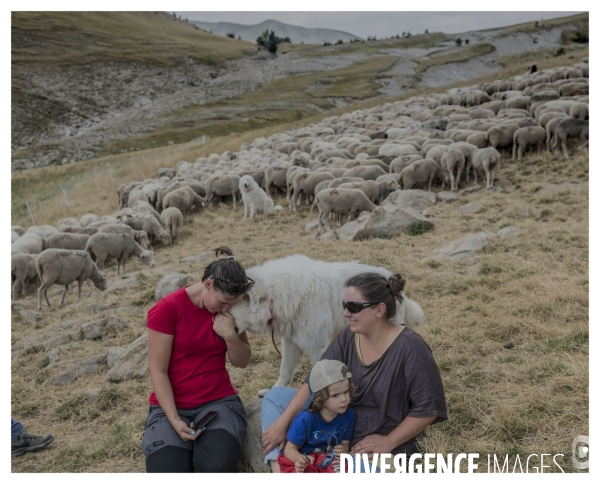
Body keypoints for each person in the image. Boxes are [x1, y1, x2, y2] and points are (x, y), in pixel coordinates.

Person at [262, 272, 447, 473]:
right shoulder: (347, 337)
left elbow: (429, 408)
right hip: (337, 424)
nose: (345, 314)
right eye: (344, 306)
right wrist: (283, 423)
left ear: (379, 310)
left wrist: (388, 441)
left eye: (353, 307)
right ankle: (278, 467)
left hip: (373, 447)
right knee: (275, 397)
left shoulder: (411, 347)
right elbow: (315, 379)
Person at [141, 246, 253, 473]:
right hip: (170, 407)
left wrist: (231, 335)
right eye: (223, 302)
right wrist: (174, 420)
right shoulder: (167, 310)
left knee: (216, 468)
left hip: (219, 403)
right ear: (209, 284)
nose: (226, 308)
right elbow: (158, 371)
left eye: (232, 304)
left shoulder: (230, 312)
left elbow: (242, 361)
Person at [278, 360, 356, 473]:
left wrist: (343, 450)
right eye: (335, 395)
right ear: (321, 397)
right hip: (302, 457)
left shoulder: (349, 415)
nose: (344, 399)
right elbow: (289, 449)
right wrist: (301, 460)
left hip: (327, 457)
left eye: (346, 392)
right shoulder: (305, 419)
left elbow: (345, 442)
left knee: (345, 469)